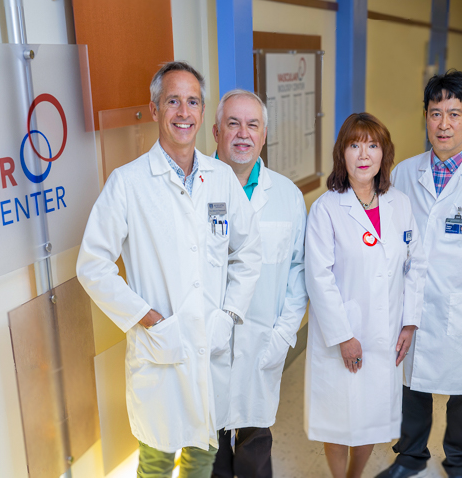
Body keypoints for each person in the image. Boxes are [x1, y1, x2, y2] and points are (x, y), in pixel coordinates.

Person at [76, 61, 263, 478]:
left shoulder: (220, 178)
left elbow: (248, 252)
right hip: (159, 345)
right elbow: (92, 265)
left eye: (193, 101)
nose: (184, 112)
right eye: (173, 101)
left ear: (201, 111)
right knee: (157, 459)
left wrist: (229, 314)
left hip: (209, 339)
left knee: (203, 450)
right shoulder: (127, 183)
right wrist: (148, 318)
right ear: (155, 108)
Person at [377, 69, 462, 478]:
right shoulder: (404, 172)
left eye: (454, 114)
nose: (444, 124)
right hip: (414, 305)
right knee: (412, 387)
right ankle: (410, 456)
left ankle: (459, 460)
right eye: (435, 113)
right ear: (425, 116)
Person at [304, 112, 426, 478]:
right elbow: (318, 277)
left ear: (384, 154)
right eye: (354, 145)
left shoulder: (399, 204)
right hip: (341, 334)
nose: (363, 154)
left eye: (372, 145)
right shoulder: (326, 209)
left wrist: (409, 323)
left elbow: (416, 264)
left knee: (373, 415)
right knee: (338, 418)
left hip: (386, 333)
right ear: (342, 153)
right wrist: (343, 336)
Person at [208, 89, 308, 478]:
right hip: (208, 345)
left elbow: (299, 274)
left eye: (253, 125)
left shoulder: (286, 196)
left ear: (265, 134)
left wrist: (282, 336)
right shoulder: (192, 191)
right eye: (233, 123)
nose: (242, 134)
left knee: (254, 447)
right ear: (216, 131)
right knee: (208, 449)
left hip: (262, 341)